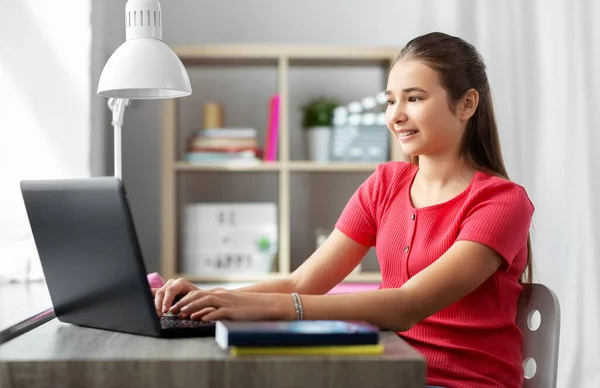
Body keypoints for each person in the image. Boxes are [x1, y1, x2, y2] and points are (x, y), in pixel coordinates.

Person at [153, 32, 534, 388]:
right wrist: (208, 300)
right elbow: (300, 284)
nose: (396, 115)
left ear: (466, 104)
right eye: (390, 100)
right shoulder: (385, 185)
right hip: (385, 372)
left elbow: (407, 305)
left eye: (414, 98)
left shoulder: (501, 203)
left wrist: (251, 306)